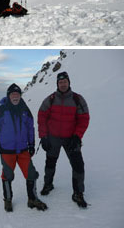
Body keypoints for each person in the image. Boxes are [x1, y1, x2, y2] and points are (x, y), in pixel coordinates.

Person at [0, 84, 48, 212]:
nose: (15, 97)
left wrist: (31, 145)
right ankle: (8, 200)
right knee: (7, 176)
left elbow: (30, 129)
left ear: (20, 96)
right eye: (12, 95)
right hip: (7, 151)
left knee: (31, 174)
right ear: (8, 96)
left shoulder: (25, 110)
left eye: (17, 94)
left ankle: (32, 199)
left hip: (23, 150)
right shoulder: (1, 111)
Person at [38, 71, 90, 208]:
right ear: (57, 84)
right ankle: (48, 184)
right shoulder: (50, 99)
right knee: (50, 162)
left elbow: (84, 119)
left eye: (65, 82)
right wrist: (43, 136)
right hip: (53, 137)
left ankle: (78, 193)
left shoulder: (77, 99)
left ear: (69, 82)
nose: (62, 84)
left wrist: (77, 136)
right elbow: (41, 117)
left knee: (78, 165)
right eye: (60, 82)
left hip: (71, 138)